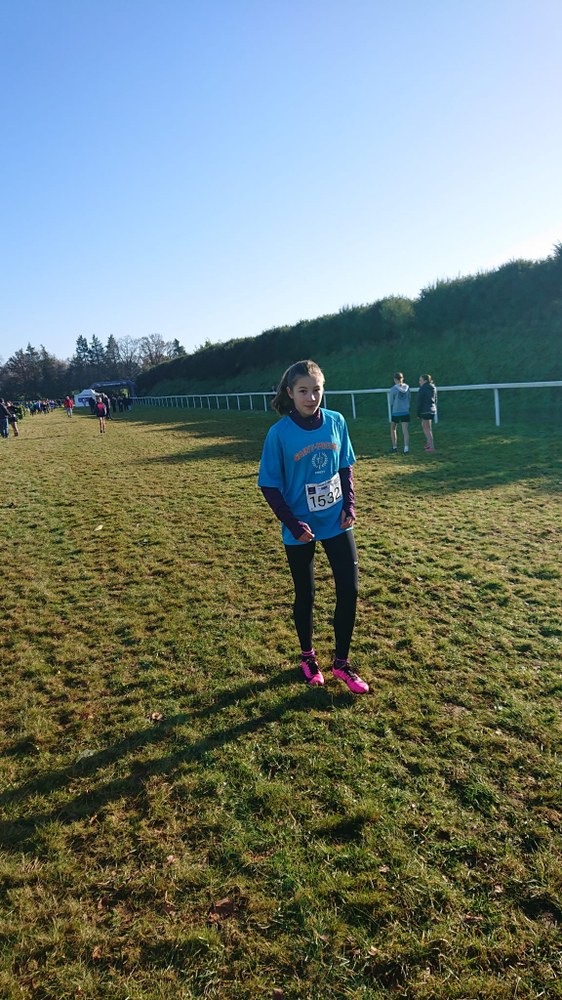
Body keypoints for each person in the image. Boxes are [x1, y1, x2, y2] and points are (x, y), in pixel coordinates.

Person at [258, 359, 369, 694]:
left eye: (316, 390)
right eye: (303, 391)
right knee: (305, 593)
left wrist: (349, 504)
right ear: (290, 392)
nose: (311, 397)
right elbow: (269, 485)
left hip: (336, 521)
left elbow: (345, 466)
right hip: (300, 527)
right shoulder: (279, 434)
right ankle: (308, 657)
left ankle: (341, 664)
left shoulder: (336, 421)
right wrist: (292, 523)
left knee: (349, 589)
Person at [388, 372, 410, 454]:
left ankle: (394, 447)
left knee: (393, 428)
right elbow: (409, 398)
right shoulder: (407, 388)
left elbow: (391, 401)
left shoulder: (393, 389)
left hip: (396, 411)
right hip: (405, 411)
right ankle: (406, 448)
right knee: (405, 430)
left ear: (395, 379)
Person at [417, 374, 437, 451]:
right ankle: (429, 443)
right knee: (427, 427)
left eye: (420, 380)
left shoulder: (422, 389)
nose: (419, 382)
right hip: (432, 409)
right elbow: (435, 399)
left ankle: (431, 446)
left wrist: (418, 413)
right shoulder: (433, 387)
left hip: (425, 410)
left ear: (425, 381)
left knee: (427, 429)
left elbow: (420, 402)